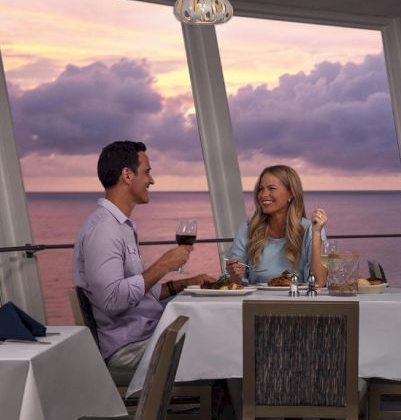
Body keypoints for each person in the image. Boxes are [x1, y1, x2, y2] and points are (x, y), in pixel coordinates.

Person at [73, 141, 213, 368]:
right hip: (129, 347)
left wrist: (188, 282)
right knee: (217, 340)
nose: (152, 180)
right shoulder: (104, 229)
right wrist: (164, 264)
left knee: (212, 324)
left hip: (145, 331)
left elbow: (139, 292)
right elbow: (112, 300)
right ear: (127, 175)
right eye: (147, 172)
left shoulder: (122, 226)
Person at [226, 165, 329, 286]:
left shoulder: (312, 229)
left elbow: (319, 283)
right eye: (261, 189)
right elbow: (234, 282)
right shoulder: (247, 229)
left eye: (271, 188)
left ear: (291, 194)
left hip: (297, 302)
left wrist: (316, 233)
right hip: (257, 303)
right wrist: (234, 275)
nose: (263, 195)